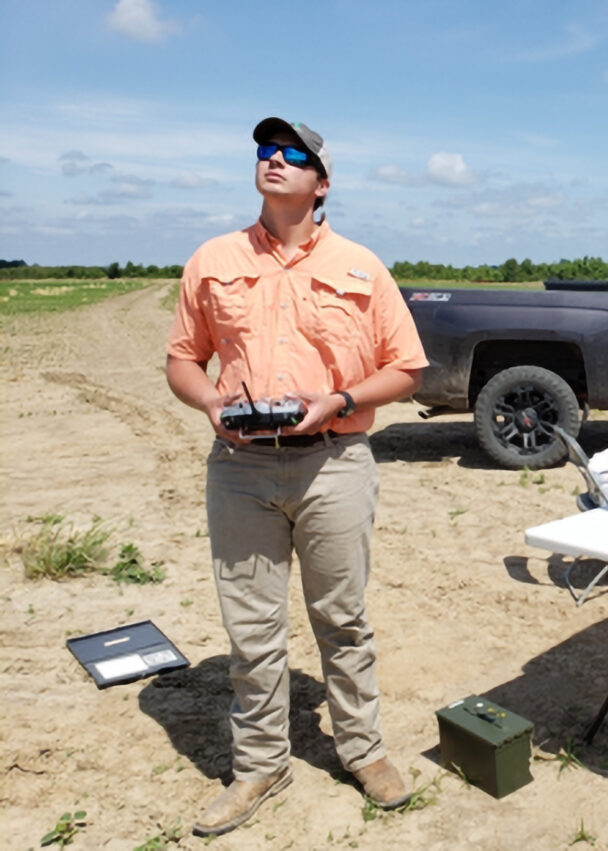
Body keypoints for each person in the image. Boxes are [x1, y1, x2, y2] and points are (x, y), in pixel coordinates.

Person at [165, 117, 427, 838]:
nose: (273, 160)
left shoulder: (361, 266)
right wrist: (209, 400)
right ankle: (259, 765)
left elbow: (405, 367)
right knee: (252, 630)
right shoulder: (212, 259)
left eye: (292, 154)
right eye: (264, 151)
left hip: (333, 464)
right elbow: (183, 358)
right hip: (240, 469)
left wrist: (340, 400)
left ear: (323, 181)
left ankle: (364, 751)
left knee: (342, 620)